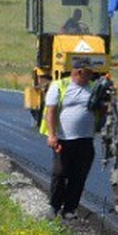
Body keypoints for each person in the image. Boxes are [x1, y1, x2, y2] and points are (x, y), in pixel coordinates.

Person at [43, 62, 98, 218]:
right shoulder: (60, 86)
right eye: (88, 74)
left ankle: (69, 209)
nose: (91, 77)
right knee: (59, 173)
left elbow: (101, 108)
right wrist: (52, 135)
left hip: (85, 139)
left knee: (79, 176)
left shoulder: (93, 88)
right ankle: (54, 206)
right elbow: (51, 111)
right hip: (63, 139)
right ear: (79, 72)